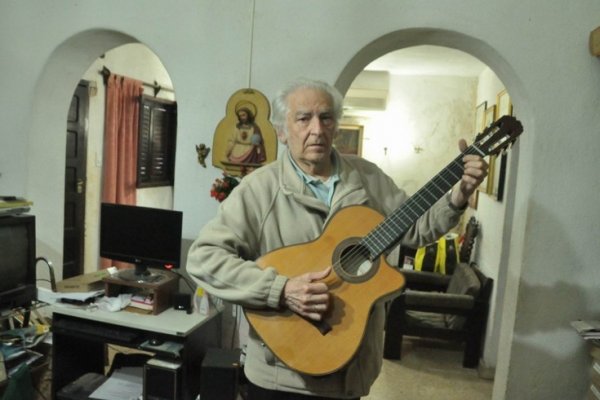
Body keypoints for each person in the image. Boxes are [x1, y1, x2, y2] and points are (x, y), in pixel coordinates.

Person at [187, 78, 488, 399]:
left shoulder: (369, 177)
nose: (317, 129)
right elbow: (204, 258)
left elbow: (414, 229)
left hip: (351, 369)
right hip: (280, 375)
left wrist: (459, 195)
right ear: (282, 132)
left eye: (326, 117)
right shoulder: (258, 189)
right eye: (303, 118)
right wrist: (281, 289)